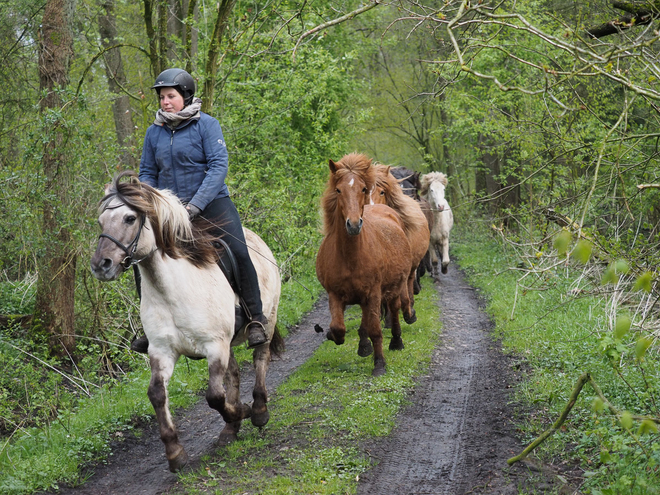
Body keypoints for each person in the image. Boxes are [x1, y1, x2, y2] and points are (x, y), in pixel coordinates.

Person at [131, 68, 268, 352]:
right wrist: (154, 206)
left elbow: (218, 167)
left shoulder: (207, 125)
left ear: (185, 96)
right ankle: (151, 325)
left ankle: (255, 318)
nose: (165, 102)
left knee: (238, 250)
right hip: (170, 211)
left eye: (171, 96)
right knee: (140, 252)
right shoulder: (153, 133)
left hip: (211, 203)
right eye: (162, 97)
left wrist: (196, 205)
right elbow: (147, 172)